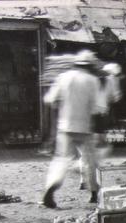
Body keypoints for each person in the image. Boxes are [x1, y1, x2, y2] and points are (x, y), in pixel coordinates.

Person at [41, 49, 105, 208]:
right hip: (84, 127)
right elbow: (98, 107)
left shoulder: (63, 77)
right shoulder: (92, 80)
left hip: (65, 126)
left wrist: (61, 104)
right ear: (89, 66)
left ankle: (50, 189)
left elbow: (49, 99)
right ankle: (94, 194)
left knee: (61, 160)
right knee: (90, 160)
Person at [79, 62, 123, 190]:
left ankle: (83, 179)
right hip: (99, 116)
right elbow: (115, 97)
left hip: (83, 115)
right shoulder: (111, 79)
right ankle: (91, 180)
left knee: (84, 149)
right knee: (102, 147)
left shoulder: (89, 78)